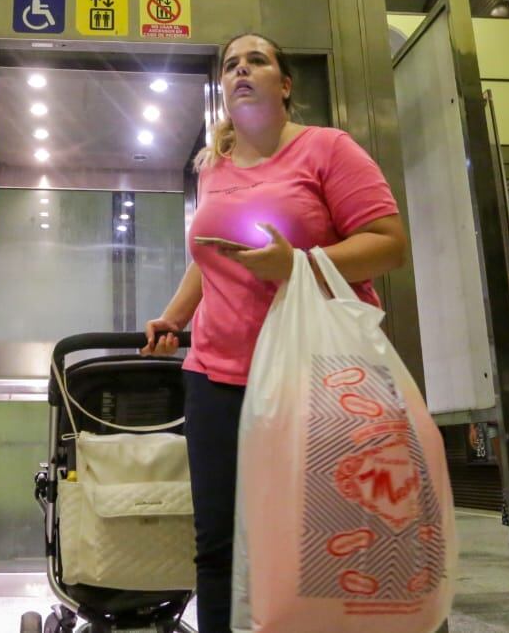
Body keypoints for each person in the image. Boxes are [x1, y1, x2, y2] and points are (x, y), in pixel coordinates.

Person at [139, 33, 408, 633]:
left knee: (320, 539)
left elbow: (389, 245)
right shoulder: (214, 167)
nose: (241, 70)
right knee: (219, 544)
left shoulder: (327, 149)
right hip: (216, 378)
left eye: (256, 61)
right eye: (231, 64)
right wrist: (175, 315)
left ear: (284, 84)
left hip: (312, 378)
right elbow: (209, 257)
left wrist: (300, 265)